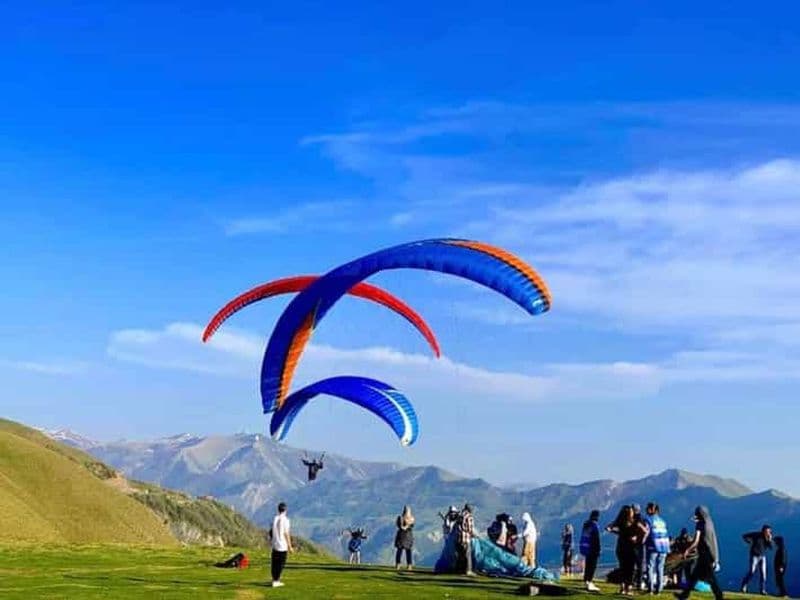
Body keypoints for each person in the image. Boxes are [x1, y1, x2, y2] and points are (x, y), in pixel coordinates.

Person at [673, 506, 724, 600]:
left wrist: (687, 550)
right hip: (710, 552)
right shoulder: (710, 523)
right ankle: (685, 594)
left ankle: (719, 595)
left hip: (704, 553)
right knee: (695, 576)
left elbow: (696, 541)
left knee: (710, 577)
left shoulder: (700, 524)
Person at [607, 505, 648, 596]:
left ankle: (622, 587)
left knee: (623, 568)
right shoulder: (635, 522)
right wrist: (639, 539)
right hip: (631, 548)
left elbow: (609, 527)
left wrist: (615, 532)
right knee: (630, 569)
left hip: (621, 547)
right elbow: (645, 531)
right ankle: (628, 588)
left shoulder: (619, 522)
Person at [645, 502, 671, 595]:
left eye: (648, 508)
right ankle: (659, 589)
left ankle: (650, 588)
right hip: (664, 546)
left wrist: (642, 541)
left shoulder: (648, 520)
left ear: (652, 510)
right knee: (660, 567)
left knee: (650, 566)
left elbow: (646, 532)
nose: (646, 510)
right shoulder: (662, 521)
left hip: (653, 545)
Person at [741, 524, 774, 595]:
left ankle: (763, 590)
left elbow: (771, 548)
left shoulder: (768, 538)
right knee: (752, 572)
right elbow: (744, 536)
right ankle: (744, 584)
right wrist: (749, 542)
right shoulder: (756, 535)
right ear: (763, 530)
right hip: (754, 556)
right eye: (767, 531)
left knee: (763, 574)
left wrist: (769, 540)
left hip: (763, 557)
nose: (768, 533)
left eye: (769, 531)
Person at [269, 501, 294, 588]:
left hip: (275, 544)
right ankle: (276, 580)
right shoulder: (286, 520)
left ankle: (274, 579)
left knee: (274, 563)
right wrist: (290, 546)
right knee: (281, 563)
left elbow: (271, 531)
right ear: (285, 510)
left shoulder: (275, 518)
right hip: (282, 545)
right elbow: (286, 533)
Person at [580, 509, 602, 593]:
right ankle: (589, 582)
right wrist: (598, 549)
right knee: (592, 566)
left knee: (588, 565)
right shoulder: (594, 526)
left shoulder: (586, 525)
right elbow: (596, 539)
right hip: (593, 549)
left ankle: (586, 581)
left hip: (586, 548)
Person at [633, 503, 651, 591]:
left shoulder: (637, 519)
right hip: (640, 544)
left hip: (637, 544)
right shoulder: (643, 518)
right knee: (639, 565)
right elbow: (647, 530)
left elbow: (646, 530)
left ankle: (637, 583)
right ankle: (638, 583)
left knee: (636, 564)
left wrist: (641, 538)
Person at [455, 503, 476, 576]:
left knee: (460, 556)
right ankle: (468, 571)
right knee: (467, 555)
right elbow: (470, 529)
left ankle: (459, 570)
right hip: (465, 538)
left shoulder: (460, 516)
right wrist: (473, 535)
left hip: (458, 538)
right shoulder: (469, 517)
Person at [394, 505, 415, 570]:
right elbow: (399, 525)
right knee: (400, 550)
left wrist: (405, 526)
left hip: (407, 535)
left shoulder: (411, 518)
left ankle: (408, 564)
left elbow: (411, 525)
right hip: (402, 535)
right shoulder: (401, 517)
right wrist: (404, 526)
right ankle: (399, 564)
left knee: (407, 551)